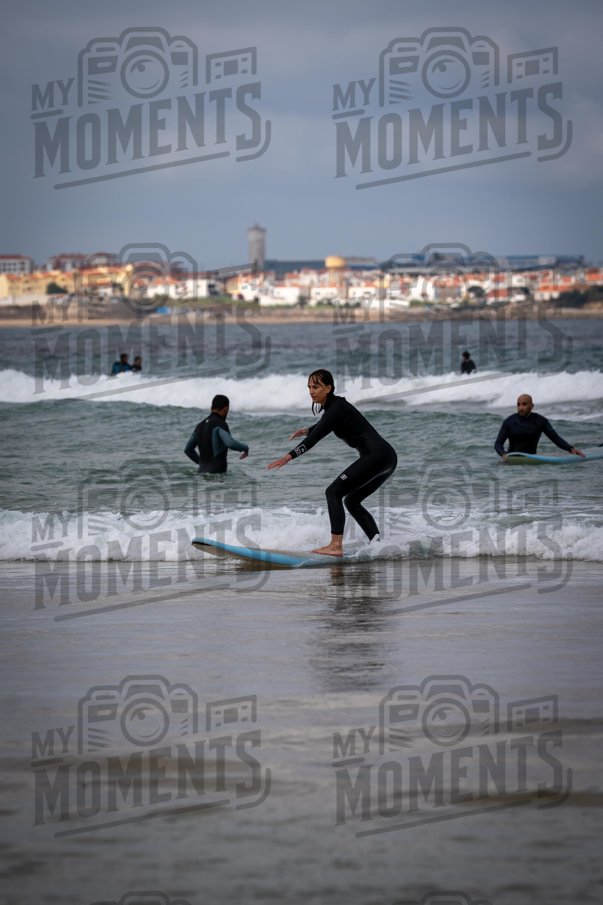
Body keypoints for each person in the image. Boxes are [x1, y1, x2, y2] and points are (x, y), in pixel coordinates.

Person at [267, 369, 397, 556]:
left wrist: (287, 457)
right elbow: (324, 424)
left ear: (328, 388)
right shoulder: (336, 406)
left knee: (333, 491)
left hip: (376, 456)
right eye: (309, 387)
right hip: (387, 458)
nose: (311, 391)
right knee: (352, 501)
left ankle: (335, 545)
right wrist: (307, 429)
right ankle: (377, 546)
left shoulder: (336, 408)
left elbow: (314, 439)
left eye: (316, 387)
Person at [494, 394, 585, 462]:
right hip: (512, 462)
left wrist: (571, 449)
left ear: (532, 406)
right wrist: (503, 454)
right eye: (518, 404)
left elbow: (555, 438)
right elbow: (498, 443)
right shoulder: (509, 422)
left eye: (524, 404)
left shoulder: (540, 421)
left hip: (532, 461)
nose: (521, 408)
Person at [184, 394, 249, 474]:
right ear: (226, 409)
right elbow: (230, 443)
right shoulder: (220, 424)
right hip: (217, 475)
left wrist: (202, 464)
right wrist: (246, 448)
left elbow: (188, 450)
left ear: (211, 408)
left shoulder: (199, 426)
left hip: (201, 474)